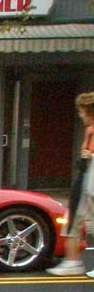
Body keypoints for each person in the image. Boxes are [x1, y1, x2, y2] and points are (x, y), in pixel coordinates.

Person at [49, 92, 94, 277]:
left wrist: (89, 156)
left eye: (82, 111)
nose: (80, 115)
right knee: (74, 218)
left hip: (90, 178)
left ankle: (73, 261)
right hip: (85, 179)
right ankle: (72, 261)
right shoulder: (90, 129)